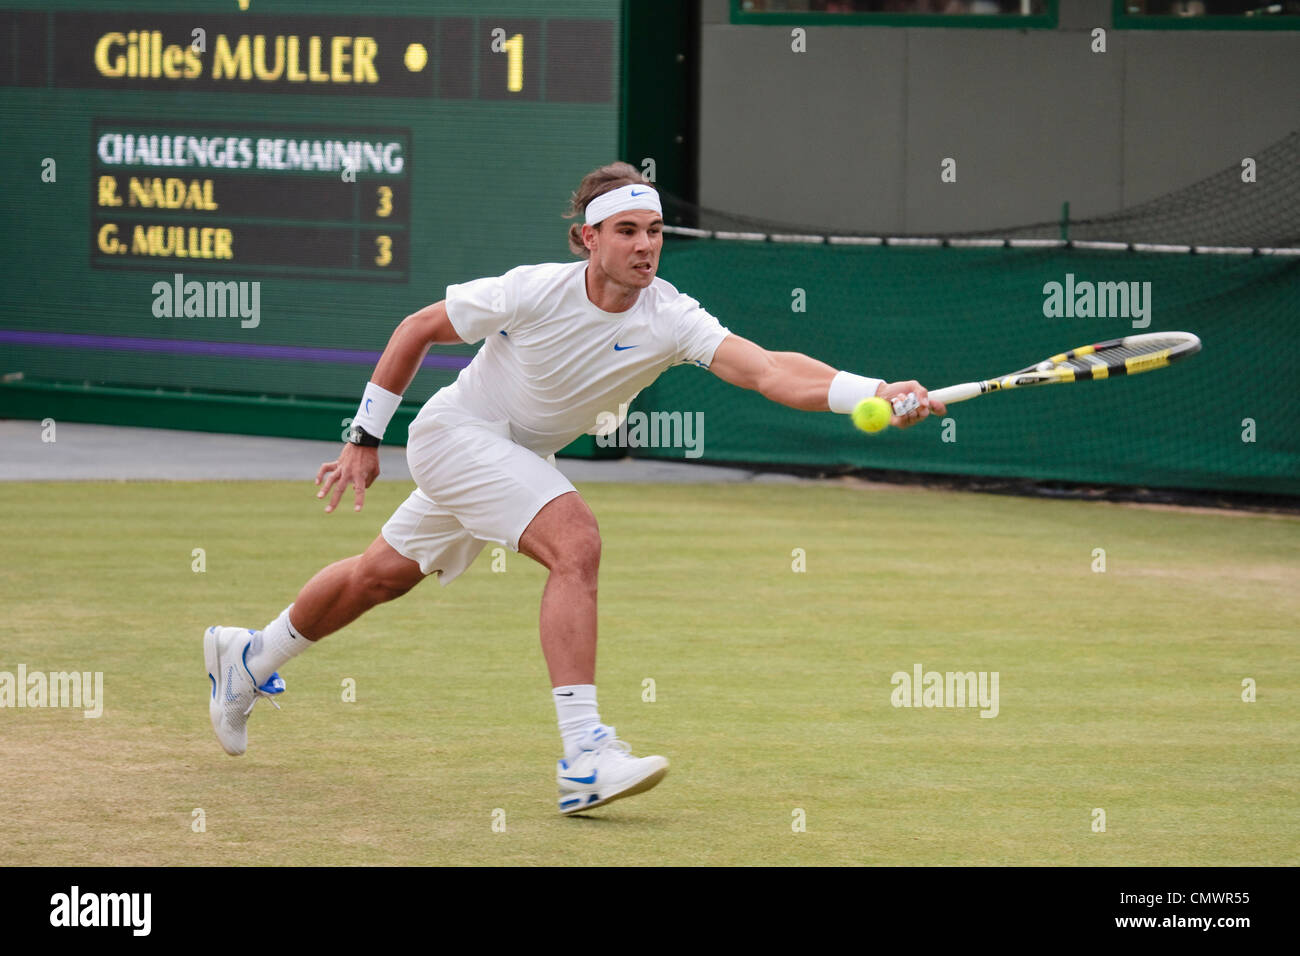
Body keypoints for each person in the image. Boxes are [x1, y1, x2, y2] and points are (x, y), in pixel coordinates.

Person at [204, 161, 945, 815]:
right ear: (588, 239)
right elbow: (417, 327)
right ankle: (584, 755)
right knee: (576, 542)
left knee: (378, 578)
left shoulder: (672, 316)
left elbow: (767, 369)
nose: (646, 245)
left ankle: (248, 660)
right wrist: (364, 439)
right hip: (456, 436)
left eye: (654, 230)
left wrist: (871, 390)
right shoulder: (532, 291)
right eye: (626, 230)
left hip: (514, 458)